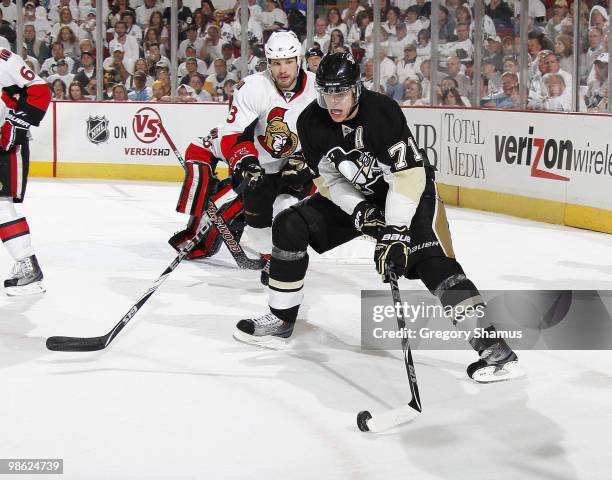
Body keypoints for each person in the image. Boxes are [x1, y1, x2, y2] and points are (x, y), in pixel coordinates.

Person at [233, 52, 521, 383]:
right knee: (289, 223)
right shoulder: (311, 122)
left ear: (357, 88)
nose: (333, 101)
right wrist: (359, 211)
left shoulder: (381, 112)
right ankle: (281, 318)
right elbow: (329, 181)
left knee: (433, 265)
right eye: (326, 92)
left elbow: (408, 176)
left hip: (411, 195)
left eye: (340, 93)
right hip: (362, 197)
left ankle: (495, 350)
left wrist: (396, 232)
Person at [218, 30, 317, 284]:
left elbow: (332, 132)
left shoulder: (318, 88)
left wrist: (309, 158)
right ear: (268, 63)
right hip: (261, 165)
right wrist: (245, 161)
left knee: (286, 209)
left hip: (298, 163)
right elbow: (233, 133)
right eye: (276, 63)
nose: (282, 69)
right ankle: (272, 259)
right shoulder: (253, 87)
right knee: (257, 223)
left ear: (299, 60)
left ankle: (288, 260)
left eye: (288, 62)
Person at [0, 47, 52, 295]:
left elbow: (40, 92)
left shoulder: (4, 59)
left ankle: (29, 267)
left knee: (0, 205)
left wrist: (16, 124)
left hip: (6, 145)